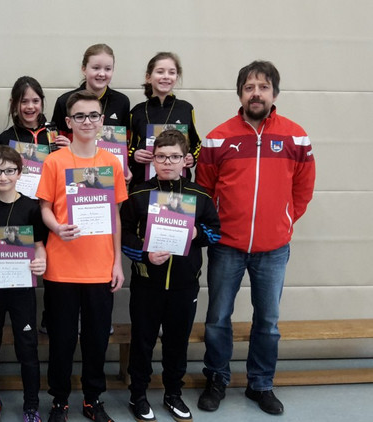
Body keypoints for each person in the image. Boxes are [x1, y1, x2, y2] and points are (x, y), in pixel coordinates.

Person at [196, 61, 316, 416]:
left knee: (268, 322)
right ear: (240, 94)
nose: (256, 93)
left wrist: (283, 220)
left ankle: (260, 384)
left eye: (263, 87)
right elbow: (204, 190)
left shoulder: (296, 137)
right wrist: (217, 227)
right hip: (226, 246)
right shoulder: (218, 137)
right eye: (249, 87)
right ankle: (216, 379)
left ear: (274, 93)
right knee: (218, 318)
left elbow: (303, 189)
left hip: (273, 249)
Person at [35, 90, 127, 422]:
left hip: (99, 269)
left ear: (101, 121)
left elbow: (115, 216)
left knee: (96, 340)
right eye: (80, 116)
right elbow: (44, 208)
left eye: (93, 115)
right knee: (61, 340)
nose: (87, 121)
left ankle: (93, 399)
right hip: (61, 267)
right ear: (69, 122)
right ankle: (59, 401)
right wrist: (57, 228)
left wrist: (117, 262)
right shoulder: (54, 161)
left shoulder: (111, 163)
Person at [121, 130, 221, 422]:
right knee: (142, 341)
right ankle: (138, 395)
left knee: (177, 343)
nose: (168, 162)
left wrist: (196, 232)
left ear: (185, 160)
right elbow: (123, 235)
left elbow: (215, 233)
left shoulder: (200, 195)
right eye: (162, 157)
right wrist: (145, 254)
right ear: (153, 159)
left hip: (184, 285)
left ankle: (173, 394)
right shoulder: (138, 194)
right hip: (147, 284)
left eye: (174, 157)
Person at [0, 146, 47, 422]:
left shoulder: (31, 207)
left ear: (19, 173)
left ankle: (31, 405)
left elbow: (39, 246)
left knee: (27, 347)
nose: (3, 177)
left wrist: (41, 262)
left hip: (22, 290)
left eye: (9, 171)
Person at [129, 52, 201, 186]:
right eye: (160, 72)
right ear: (148, 77)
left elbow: (196, 143)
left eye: (171, 72)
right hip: (143, 184)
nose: (166, 76)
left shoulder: (186, 109)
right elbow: (128, 146)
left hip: (179, 186)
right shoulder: (137, 111)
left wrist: (192, 156)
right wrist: (134, 155)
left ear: (176, 77)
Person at [50, 44, 130, 142]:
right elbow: (54, 142)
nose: (102, 74)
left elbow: (125, 142)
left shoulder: (122, 102)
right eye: (96, 68)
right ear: (84, 69)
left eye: (108, 69)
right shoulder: (64, 101)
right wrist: (69, 148)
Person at [0, 77, 68, 148]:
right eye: (24, 101)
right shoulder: (5, 139)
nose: (30, 106)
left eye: (35, 101)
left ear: (41, 102)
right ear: (13, 104)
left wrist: (70, 150)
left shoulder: (54, 134)